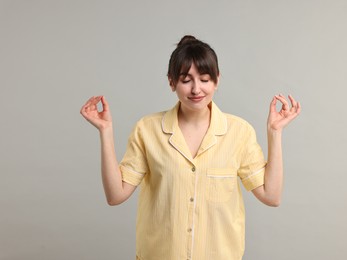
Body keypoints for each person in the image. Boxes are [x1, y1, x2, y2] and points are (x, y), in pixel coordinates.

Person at [80, 35, 300, 260]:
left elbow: (271, 196)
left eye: (205, 79)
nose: (196, 89)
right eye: (186, 80)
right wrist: (105, 132)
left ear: (217, 80)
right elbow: (116, 195)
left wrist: (275, 133)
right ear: (171, 81)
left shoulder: (239, 132)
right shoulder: (147, 130)